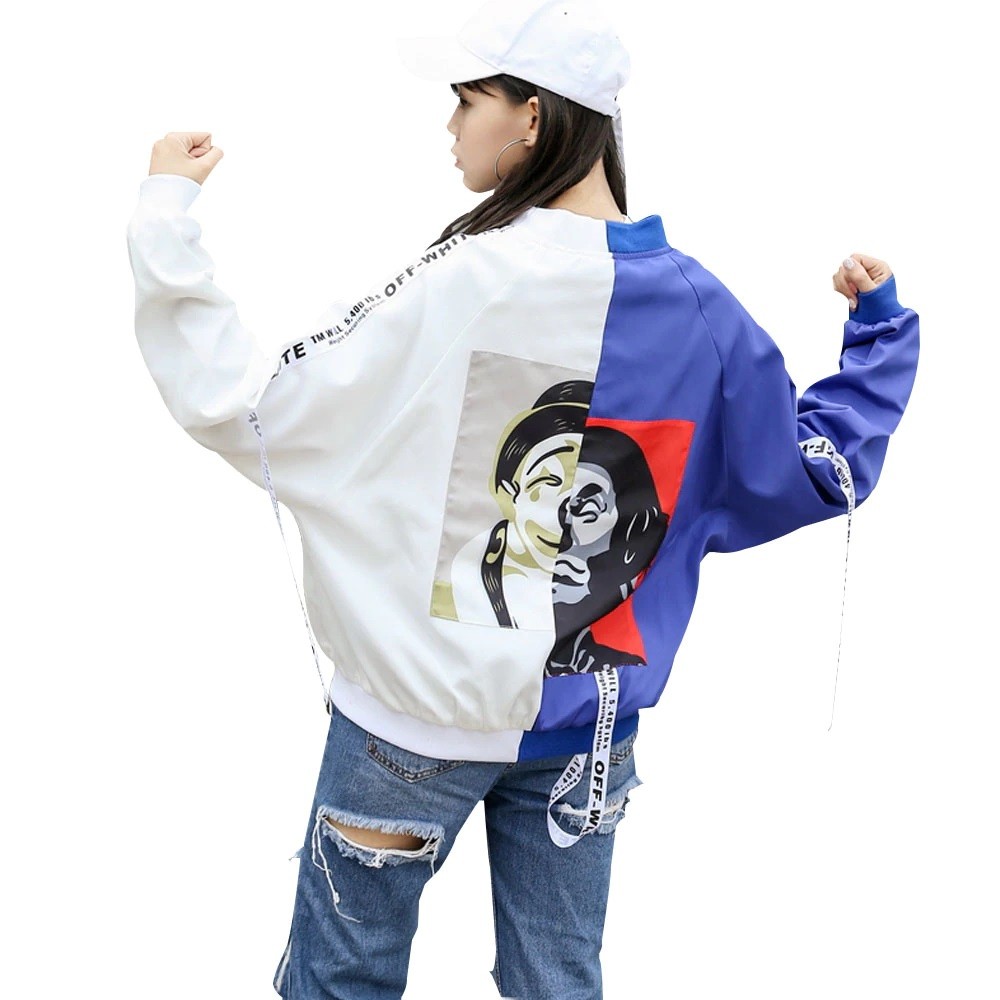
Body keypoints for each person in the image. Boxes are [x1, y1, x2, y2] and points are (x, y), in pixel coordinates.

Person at [124, 1, 920, 996]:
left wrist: (165, 213)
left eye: (467, 100)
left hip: (411, 731)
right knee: (557, 984)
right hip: (590, 734)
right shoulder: (701, 309)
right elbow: (807, 470)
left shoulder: (464, 280)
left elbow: (258, 410)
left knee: (340, 982)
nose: (450, 124)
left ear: (532, 116)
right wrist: (878, 335)